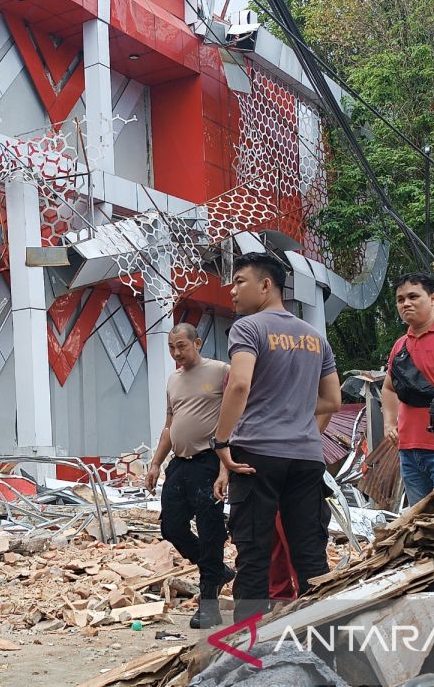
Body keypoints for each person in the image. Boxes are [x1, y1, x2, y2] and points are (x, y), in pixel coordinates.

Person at [211, 253, 341, 623]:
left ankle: (247, 652)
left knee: (254, 553)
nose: (232, 291)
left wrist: (221, 443)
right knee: (310, 554)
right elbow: (332, 400)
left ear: (266, 285)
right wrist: (295, 411)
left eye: (239, 281)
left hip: (256, 454)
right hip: (306, 457)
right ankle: (325, 641)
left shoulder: (248, 328)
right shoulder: (315, 338)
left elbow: (238, 384)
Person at [144, 323, 234, 628]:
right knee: (171, 527)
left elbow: (236, 418)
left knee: (210, 533)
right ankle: (218, 570)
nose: (176, 353)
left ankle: (209, 603)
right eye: (171, 347)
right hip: (179, 464)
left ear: (197, 342)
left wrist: (226, 466)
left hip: (209, 460)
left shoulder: (221, 371)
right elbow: (170, 425)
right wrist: (156, 463)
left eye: (182, 346)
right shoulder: (173, 380)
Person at [380, 273, 434, 505]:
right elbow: (389, 388)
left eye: (414, 296)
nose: (406, 303)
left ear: (433, 298)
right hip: (409, 450)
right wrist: (389, 424)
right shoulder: (400, 345)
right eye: (400, 299)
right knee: (419, 525)